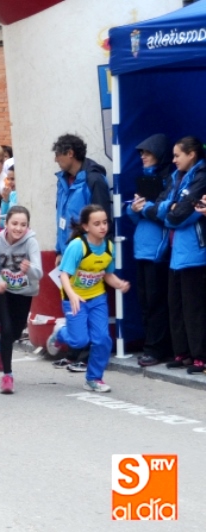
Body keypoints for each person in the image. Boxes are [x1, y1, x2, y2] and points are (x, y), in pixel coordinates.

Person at [47, 205, 129, 392]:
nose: (103, 227)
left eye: (105, 222)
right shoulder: (77, 246)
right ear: (86, 227)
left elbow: (107, 274)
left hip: (97, 298)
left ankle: (94, 378)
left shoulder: (109, 247)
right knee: (79, 341)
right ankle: (60, 333)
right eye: (97, 223)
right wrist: (72, 295)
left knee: (102, 339)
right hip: (74, 298)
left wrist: (119, 284)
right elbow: (63, 275)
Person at [158, 136, 206, 373]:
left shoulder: (202, 176)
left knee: (193, 308)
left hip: (195, 253)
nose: (174, 160)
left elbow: (181, 214)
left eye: (178, 155)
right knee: (175, 306)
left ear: (192, 154)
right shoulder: (175, 177)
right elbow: (160, 207)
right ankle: (182, 353)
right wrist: (171, 208)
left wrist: (174, 211)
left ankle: (200, 356)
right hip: (176, 253)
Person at [126, 134, 173, 368]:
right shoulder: (146, 179)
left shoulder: (170, 180)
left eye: (147, 152)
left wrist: (144, 209)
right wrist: (134, 210)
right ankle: (150, 346)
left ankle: (157, 349)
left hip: (158, 252)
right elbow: (140, 217)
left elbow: (167, 214)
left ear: (159, 154)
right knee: (145, 302)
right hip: (142, 250)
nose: (143, 156)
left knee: (156, 303)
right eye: (141, 153)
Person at [0, 206, 42, 394]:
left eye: (23, 225)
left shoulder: (31, 243)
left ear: (28, 226)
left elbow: (39, 273)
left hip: (24, 292)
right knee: (6, 330)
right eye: (14, 223)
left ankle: (0, 346)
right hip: (3, 290)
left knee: (16, 332)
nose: (18, 228)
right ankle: (7, 376)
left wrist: (29, 269)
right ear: (6, 223)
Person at [52, 134, 112, 265]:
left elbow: (103, 221)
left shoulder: (94, 180)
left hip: (89, 256)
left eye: (57, 154)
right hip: (68, 255)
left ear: (70, 153)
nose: (55, 160)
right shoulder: (62, 181)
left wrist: (97, 256)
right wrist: (60, 251)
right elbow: (61, 218)